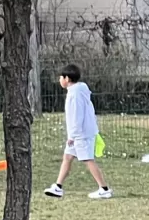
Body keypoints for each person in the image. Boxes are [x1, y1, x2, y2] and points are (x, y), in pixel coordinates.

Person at [46, 64, 112, 199]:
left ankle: (104, 189)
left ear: (67, 78)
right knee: (68, 157)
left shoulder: (75, 94)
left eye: (61, 77)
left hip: (81, 134)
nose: (60, 80)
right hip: (79, 134)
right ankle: (58, 187)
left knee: (88, 159)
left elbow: (76, 116)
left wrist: (72, 135)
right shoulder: (77, 91)